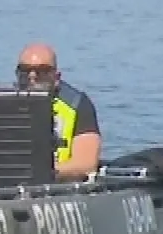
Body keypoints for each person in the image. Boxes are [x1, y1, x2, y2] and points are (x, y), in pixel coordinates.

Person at [15, 42, 102, 180]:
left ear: (56, 77)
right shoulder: (3, 103)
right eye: (25, 70)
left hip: (61, 187)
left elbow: (86, 164)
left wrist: (42, 172)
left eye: (42, 71)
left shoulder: (77, 105)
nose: (32, 76)